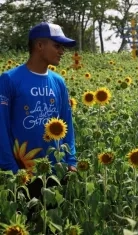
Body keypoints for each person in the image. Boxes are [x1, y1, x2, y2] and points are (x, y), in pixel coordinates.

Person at [0, 22, 77, 220]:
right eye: (57, 46)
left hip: (55, 171)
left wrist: (71, 161)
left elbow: (66, 122)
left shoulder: (58, 81)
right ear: (39, 45)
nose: (62, 51)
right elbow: (2, 127)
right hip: (21, 171)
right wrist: (12, 170)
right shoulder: (9, 79)